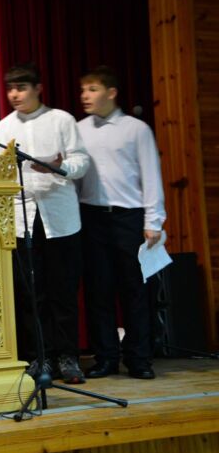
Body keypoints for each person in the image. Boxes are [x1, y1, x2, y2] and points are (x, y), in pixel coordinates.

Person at [0, 62, 90, 385]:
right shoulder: (2, 128)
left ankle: (68, 357)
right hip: (21, 218)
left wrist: (59, 169)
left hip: (59, 218)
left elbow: (81, 160)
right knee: (31, 294)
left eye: (21, 88)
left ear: (38, 89)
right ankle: (39, 356)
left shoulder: (61, 119)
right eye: (10, 89)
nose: (14, 94)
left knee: (63, 291)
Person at [77, 66, 165, 380]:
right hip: (92, 216)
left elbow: (151, 175)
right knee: (98, 290)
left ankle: (139, 359)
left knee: (135, 290)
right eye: (83, 90)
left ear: (111, 93)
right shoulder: (79, 129)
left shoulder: (136, 129)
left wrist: (154, 220)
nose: (85, 95)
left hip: (130, 217)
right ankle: (106, 358)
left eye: (93, 89)